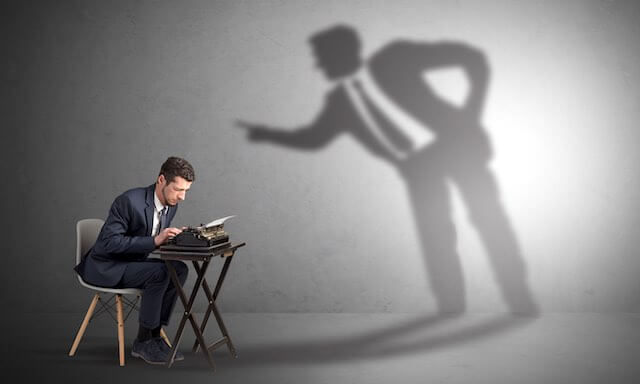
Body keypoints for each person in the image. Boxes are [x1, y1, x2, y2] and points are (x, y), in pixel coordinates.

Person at [238, 25, 538, 315]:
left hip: (461, 151)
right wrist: (266, 134)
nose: (318, 65)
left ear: (343, 52)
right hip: (420, 170)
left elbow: (471, 58)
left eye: (322, 56)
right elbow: (313, 139)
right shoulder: (339, 102)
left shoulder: (394, 58)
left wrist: (470, 116)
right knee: (436, 234)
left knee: (489, 219)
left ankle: (519, 297)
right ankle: (451, 306)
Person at [75, 156, 195, 364]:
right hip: (106, 266)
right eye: (178, 189)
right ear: (161, 181)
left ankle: (155, 335)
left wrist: (177, 237)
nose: (182, 196)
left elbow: (154, 239)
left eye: (186, 191)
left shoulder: (171, 204)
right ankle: (142, 342)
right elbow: (109, 243)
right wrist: (155, 240)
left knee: (179, 269)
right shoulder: (129, 201)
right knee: (159, 273)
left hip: (131, 262)